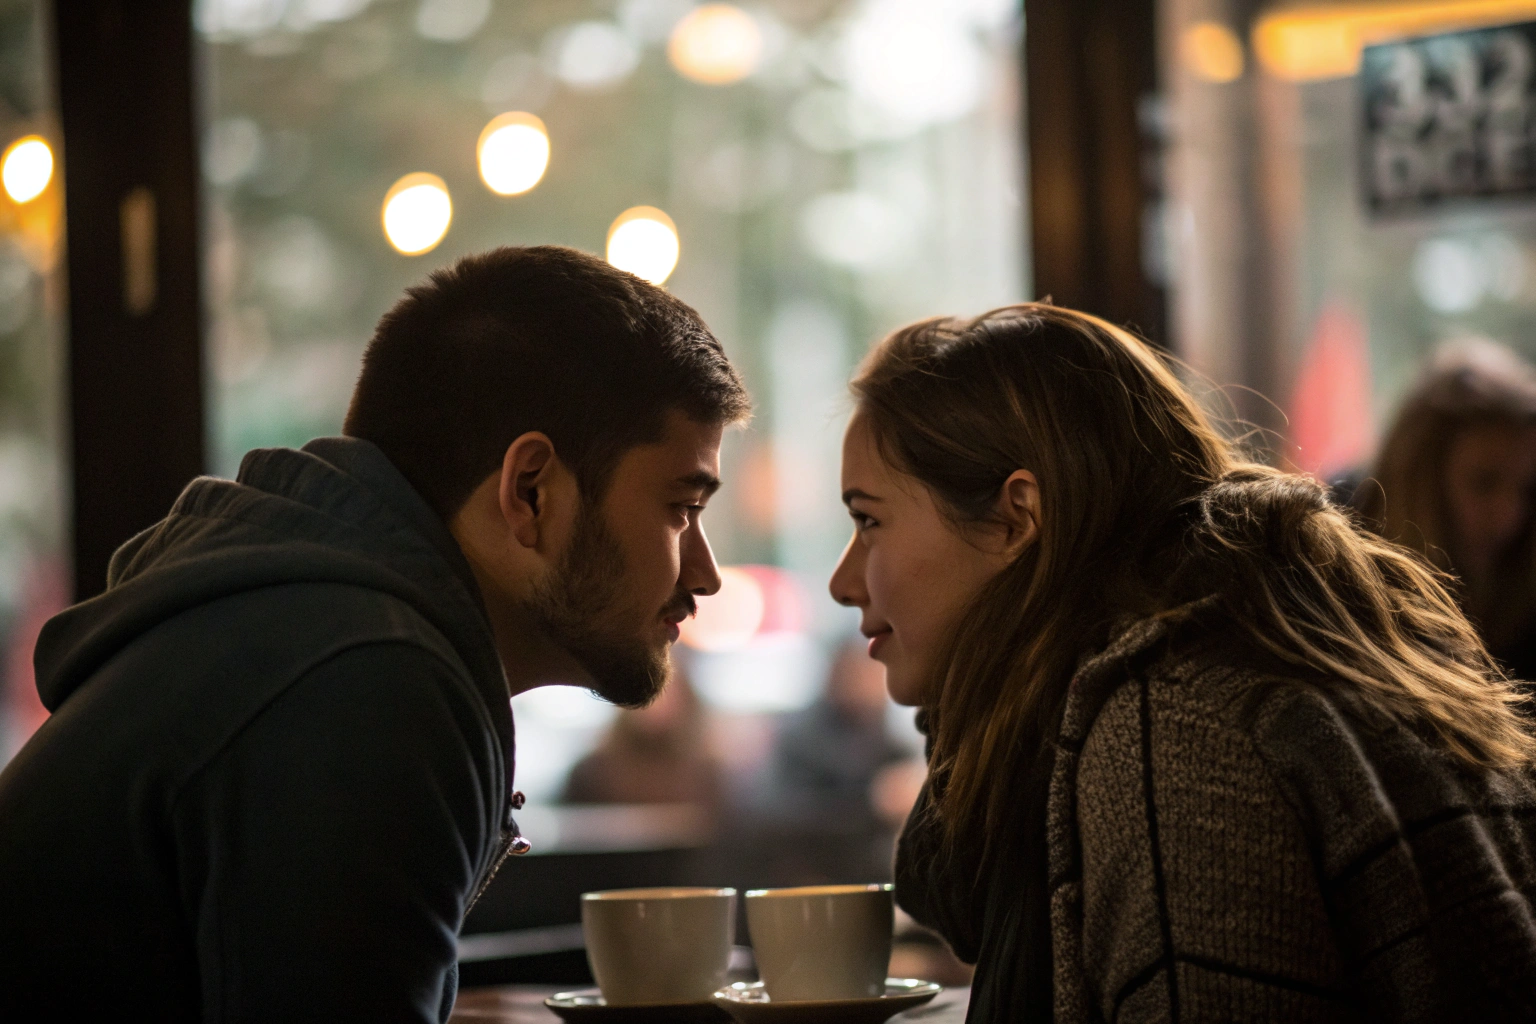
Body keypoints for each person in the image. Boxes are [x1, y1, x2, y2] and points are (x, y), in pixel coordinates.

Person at [0, 246, 750, 1022]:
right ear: (530, 491)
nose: (704, 573)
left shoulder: (313, 635)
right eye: (681, 508)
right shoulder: (367, 681)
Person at [828, 304, 1536, 1022]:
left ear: (1016, 517)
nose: (842, 580)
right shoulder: (1222, 661)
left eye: (869, 521)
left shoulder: (1175, 719)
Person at [1351, 340, 1536, 681]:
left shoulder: (1524, 603)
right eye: (1484, 483)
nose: (1510, 515)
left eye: (1527, 490)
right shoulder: (1340, 545)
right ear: (1422, 477)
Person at [562, 666, 724, 816]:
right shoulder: (592, 772)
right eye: (652, 694)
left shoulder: (705, 775)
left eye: (666, 695)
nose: (657, 705)